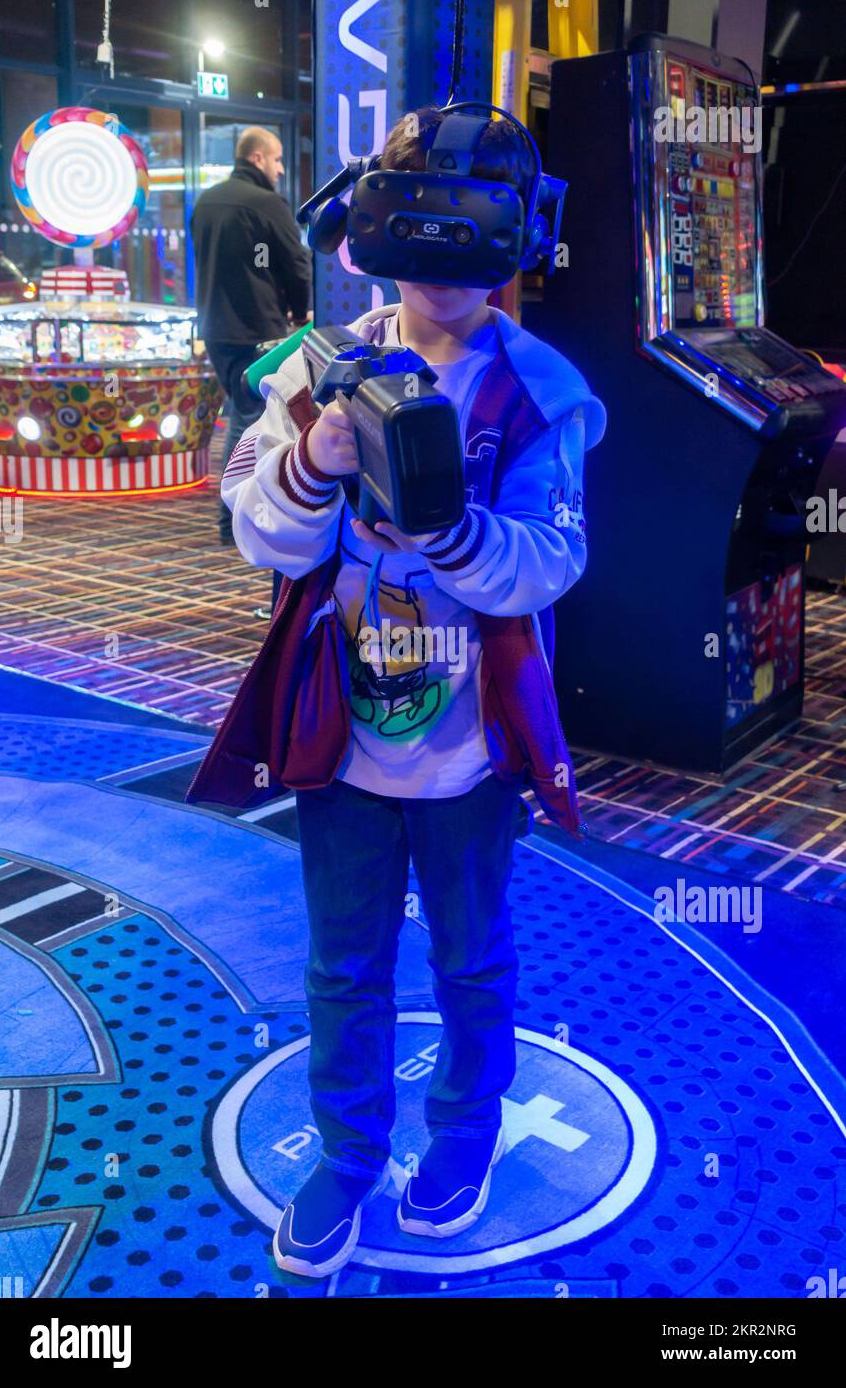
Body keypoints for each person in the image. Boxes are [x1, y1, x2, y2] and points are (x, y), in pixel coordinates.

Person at [187, 107, 606, 1277]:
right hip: (341, 733)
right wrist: (312, 460)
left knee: (471, 955)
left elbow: (551, 555)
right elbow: (258, 533)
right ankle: (348, 1151)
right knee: (341, 961)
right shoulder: (320, 366)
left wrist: (457, 531)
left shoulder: (538, 393)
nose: (440, 273)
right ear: (374, 231)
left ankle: (463, 1134)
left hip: (471, 743)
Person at [191, 126, 312, 544]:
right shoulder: (266, 203)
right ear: (258, 158)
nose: (280, 169)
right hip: (256, 328)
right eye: (277, 160)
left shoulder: (206, 201)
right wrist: (301, 310)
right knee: (247, 421)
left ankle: (235, 519)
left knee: (239, 413)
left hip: (214, 327)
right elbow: (296, 263)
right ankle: (233, 521)